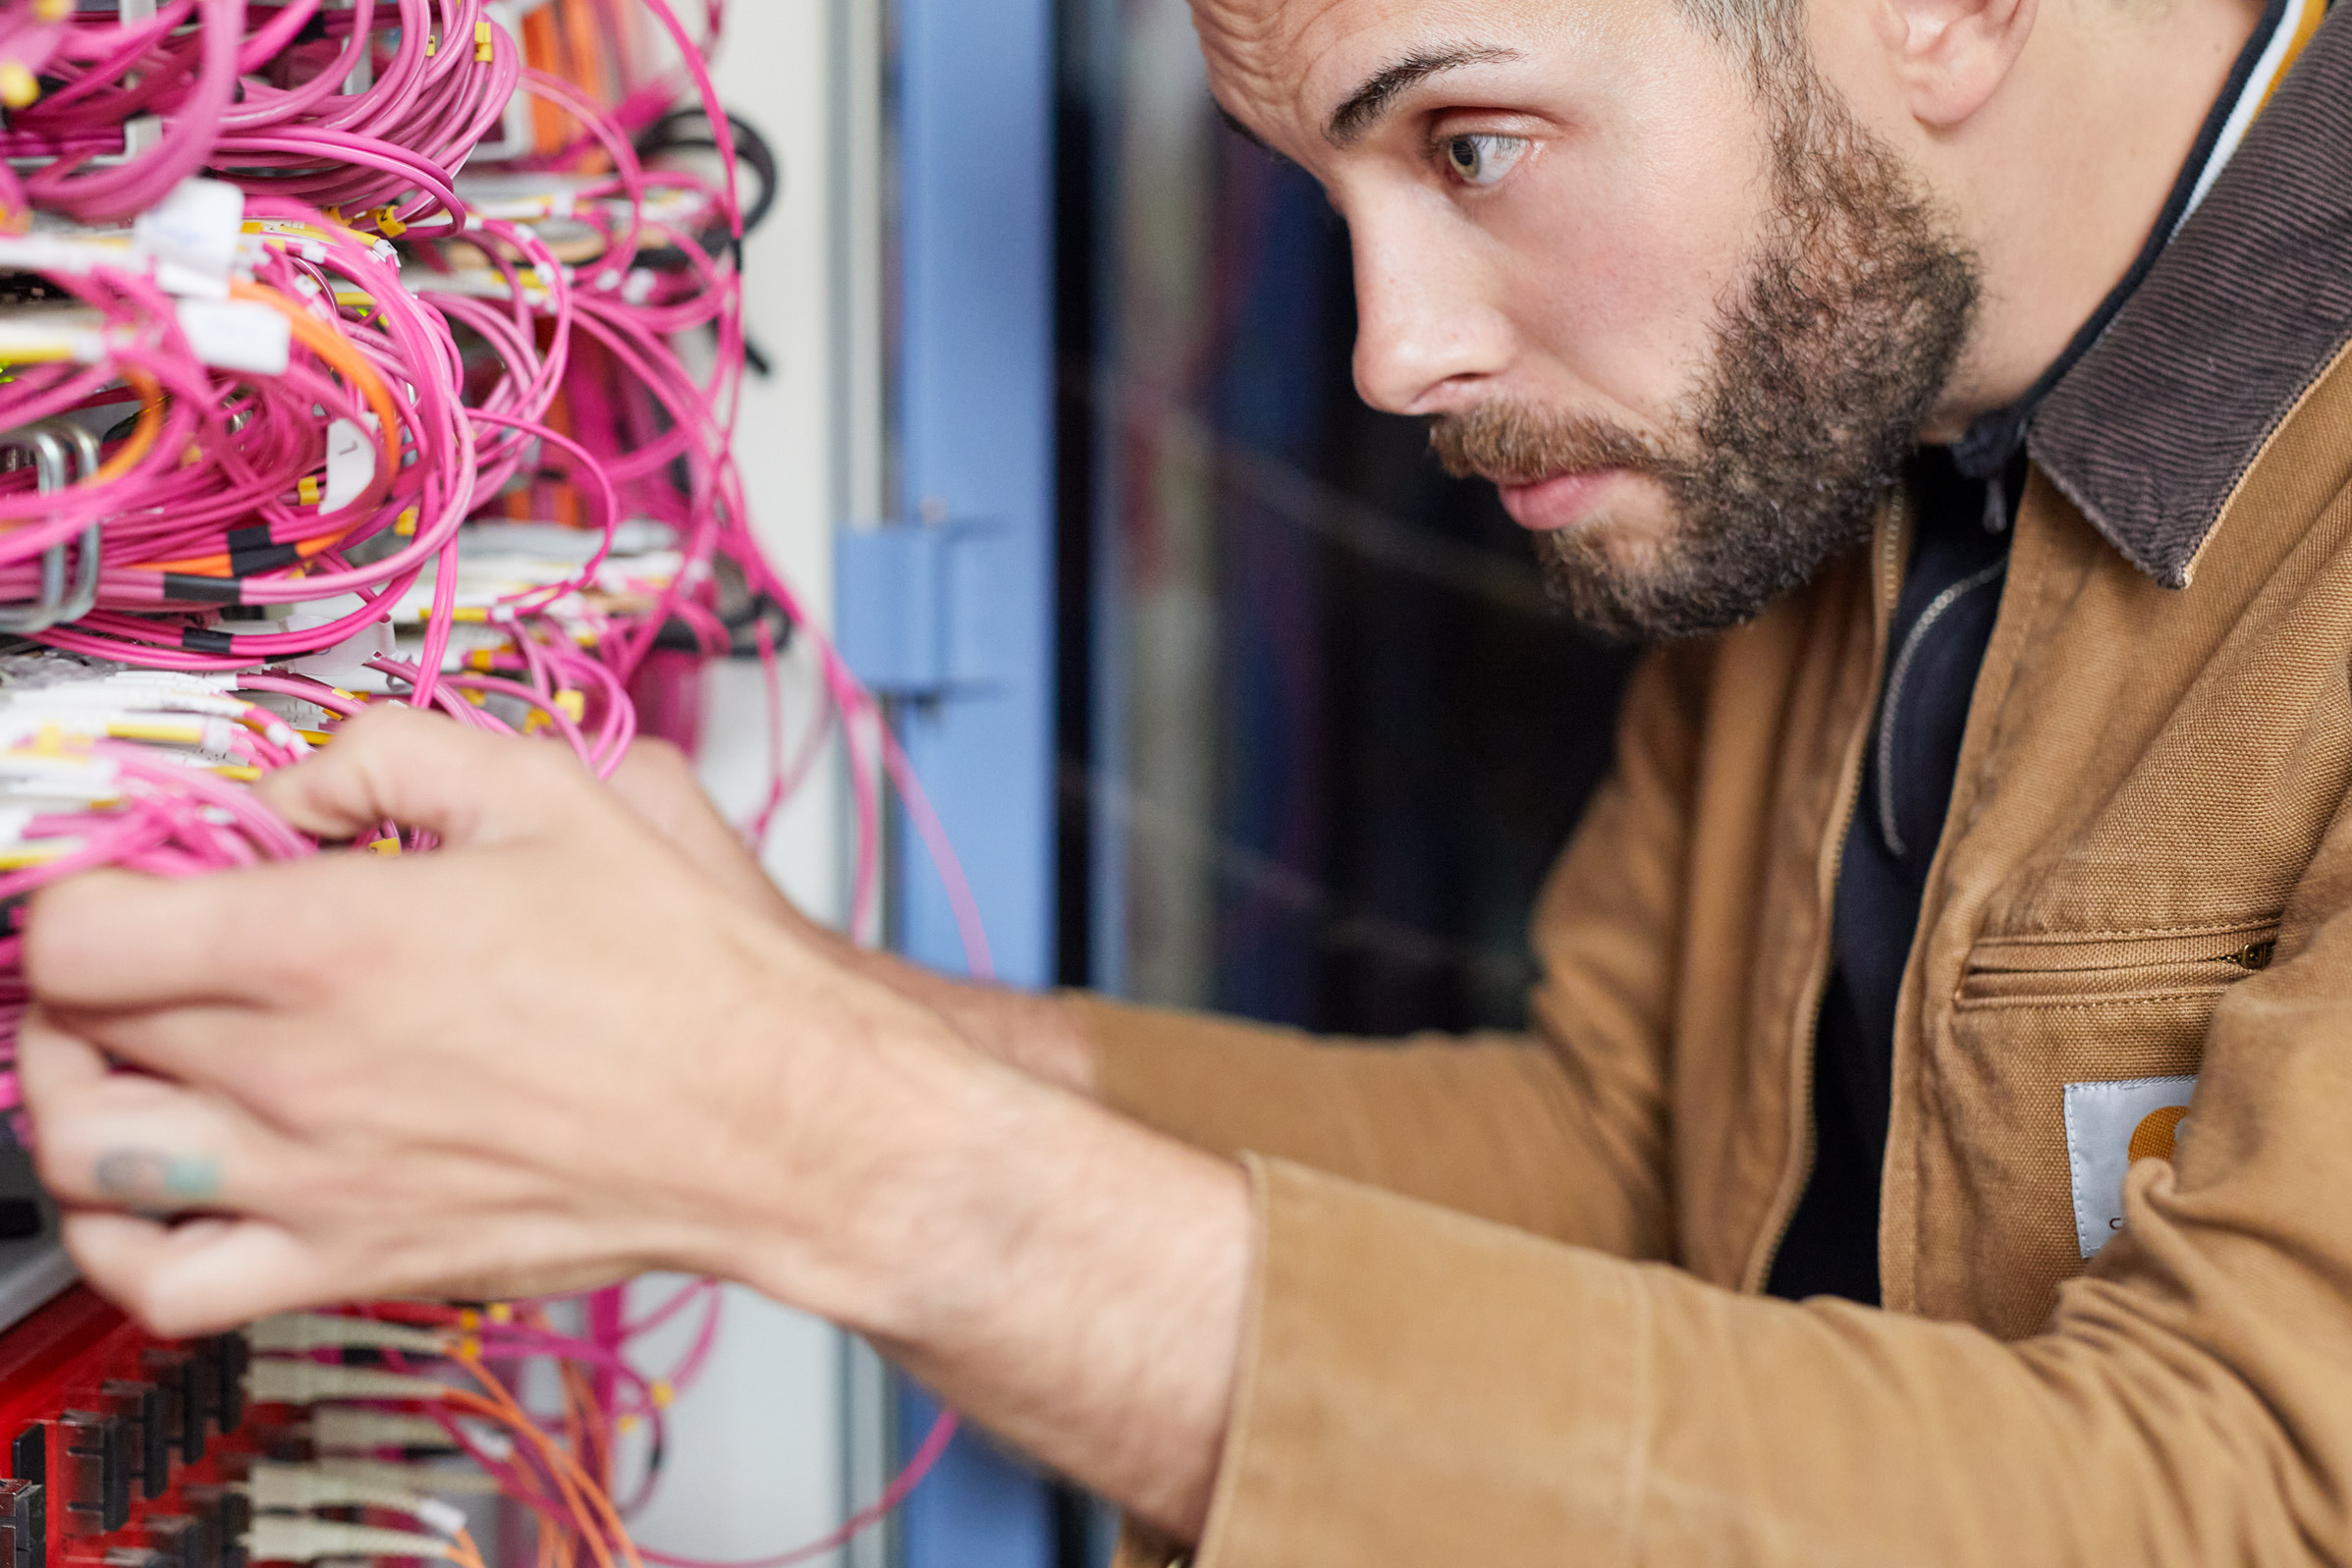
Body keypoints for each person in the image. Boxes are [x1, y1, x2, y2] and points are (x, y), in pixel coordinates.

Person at [20, 0, 2352, 1554]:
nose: (1395, 353)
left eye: (1476, 139)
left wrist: (834, 1156)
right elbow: (1634, 1157)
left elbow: (2235, 1501)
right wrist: (796, 1025)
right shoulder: (1867, 424)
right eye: (1336, 187)